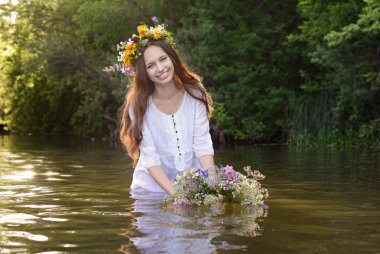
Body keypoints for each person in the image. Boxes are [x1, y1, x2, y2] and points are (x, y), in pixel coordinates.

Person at [115, 18, 215, 195]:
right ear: (144, 72)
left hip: (191, 186)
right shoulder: (139, 104)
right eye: (151, 65)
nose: (160, 68)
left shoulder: (195, 92)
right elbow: (150, 159)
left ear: (173, 59)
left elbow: (203, 145)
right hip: (151, 190)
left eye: (163, 59)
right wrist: (176, 196)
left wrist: (214, 187)